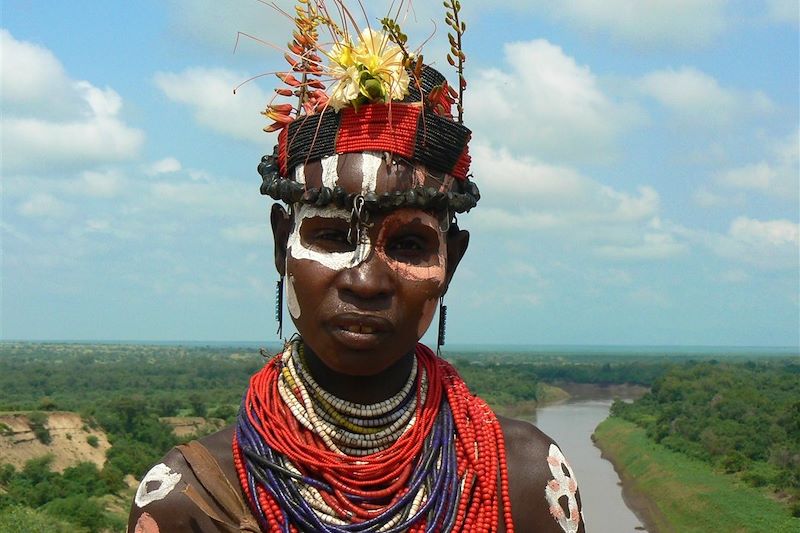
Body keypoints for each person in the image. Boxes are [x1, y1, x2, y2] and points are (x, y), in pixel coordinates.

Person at [128, 3, 584, 531]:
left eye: (410, 244)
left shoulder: (528, 480)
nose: (365, 280)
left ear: (451, 262)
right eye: (331, 236)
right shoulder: (190, 498)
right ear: (282, 246)